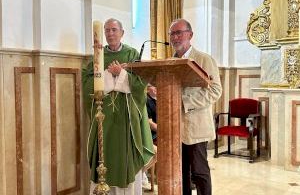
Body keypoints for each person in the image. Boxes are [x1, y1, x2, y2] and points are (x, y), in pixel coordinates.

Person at [82, 18, 154, 195]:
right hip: (103, 118)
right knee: (103, 153)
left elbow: (140, 84)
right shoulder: (97, 57)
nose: (110, 33)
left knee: (124, 155)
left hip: (125, 117)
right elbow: (86, 84)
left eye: (114, 30)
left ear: (122, 33)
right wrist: (109, 75)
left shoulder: (132, 54)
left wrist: (120, 74)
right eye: (107, 30)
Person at [168, 19, 222, 195]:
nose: (175, 37)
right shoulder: (170, 61)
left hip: (197, 126)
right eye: (172, 34)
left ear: (190, 35)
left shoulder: (204, 59)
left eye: (179, 33)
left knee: (199, 172)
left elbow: (215, 90)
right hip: (176, 127)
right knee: (181, 172)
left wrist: (185, 102)